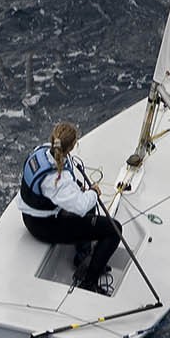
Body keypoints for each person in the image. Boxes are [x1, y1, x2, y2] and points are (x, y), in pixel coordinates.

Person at [17, 121, 123, 293]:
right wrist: (94, 192)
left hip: (31, 216)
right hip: (44, 227)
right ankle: (89, 282)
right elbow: (80, 206)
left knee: (85, 200)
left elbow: (65, 190)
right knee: (114, 229)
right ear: (72, 146)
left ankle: (82, 257)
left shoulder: (42, 150)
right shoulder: (58, 179)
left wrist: (80, 190)